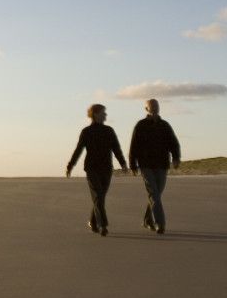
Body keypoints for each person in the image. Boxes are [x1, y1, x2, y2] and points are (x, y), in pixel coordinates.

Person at [66, 103, 128, 235]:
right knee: (98, 196)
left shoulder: (109, 130)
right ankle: (103, 225)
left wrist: (123, 163)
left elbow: (116, 148)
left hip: (106, 169)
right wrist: (70, 165)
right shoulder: (86, 132)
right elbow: (78, 150)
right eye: (103, 112)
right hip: (92, 169)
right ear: (95, 114)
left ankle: (93, 222)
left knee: (100, 197)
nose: (105, 115)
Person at [129, 98, 180, 235]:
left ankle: (147, 220)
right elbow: (134, 146)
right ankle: (160, 223)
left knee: (156, 195)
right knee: (154, 194)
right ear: (146, 109)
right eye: (152, 106)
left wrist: (176, 158)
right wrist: (133, 164)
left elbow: (173, 143)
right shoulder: (140, 125)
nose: (155, 107)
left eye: (157, 105)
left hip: (162, 165)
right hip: (146, 165)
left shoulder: (165, 125)